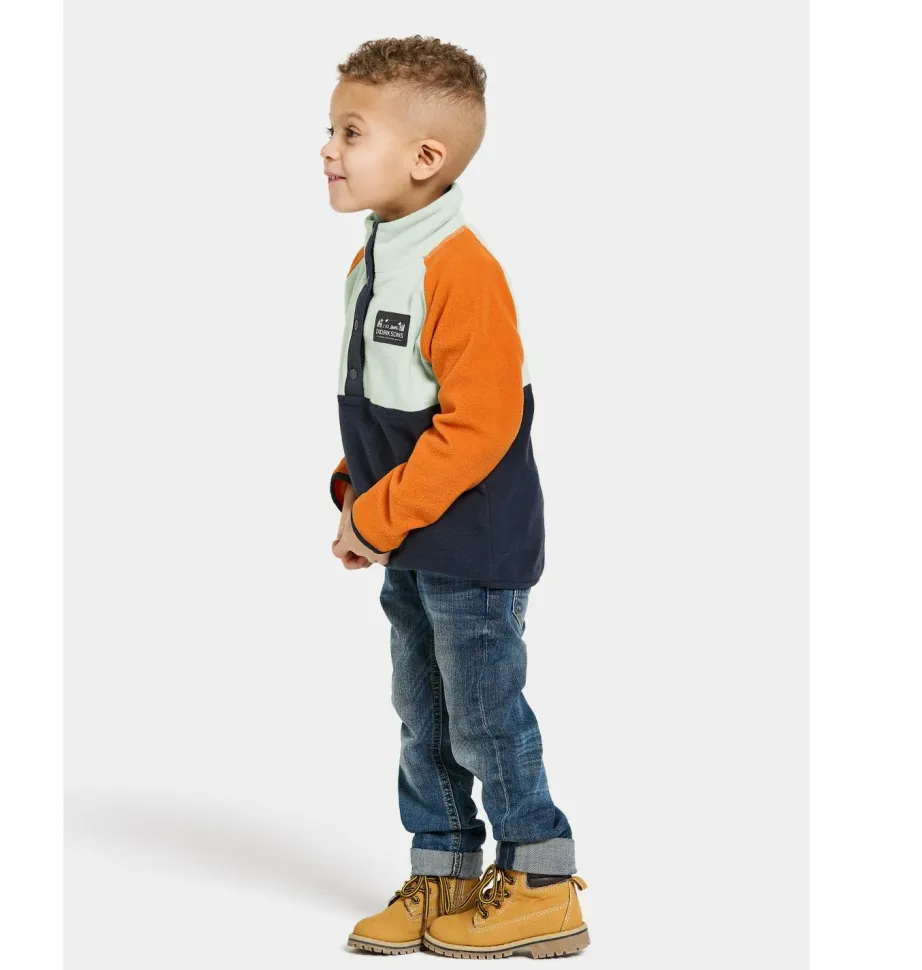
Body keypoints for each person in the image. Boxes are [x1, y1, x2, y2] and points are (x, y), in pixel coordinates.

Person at [321, 34, 589, 960]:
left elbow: (477, 428)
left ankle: (542, 883)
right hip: (411, 536)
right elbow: (387, 404)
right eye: (332, 128)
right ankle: (444, 872)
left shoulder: (460, 271)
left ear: (425, 158)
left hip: (472, 545)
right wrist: (356, 495)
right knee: (423, 713)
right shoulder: (374, 261)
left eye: (351, 132)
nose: (327, 148)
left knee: (484, 717)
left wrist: (375, 515)